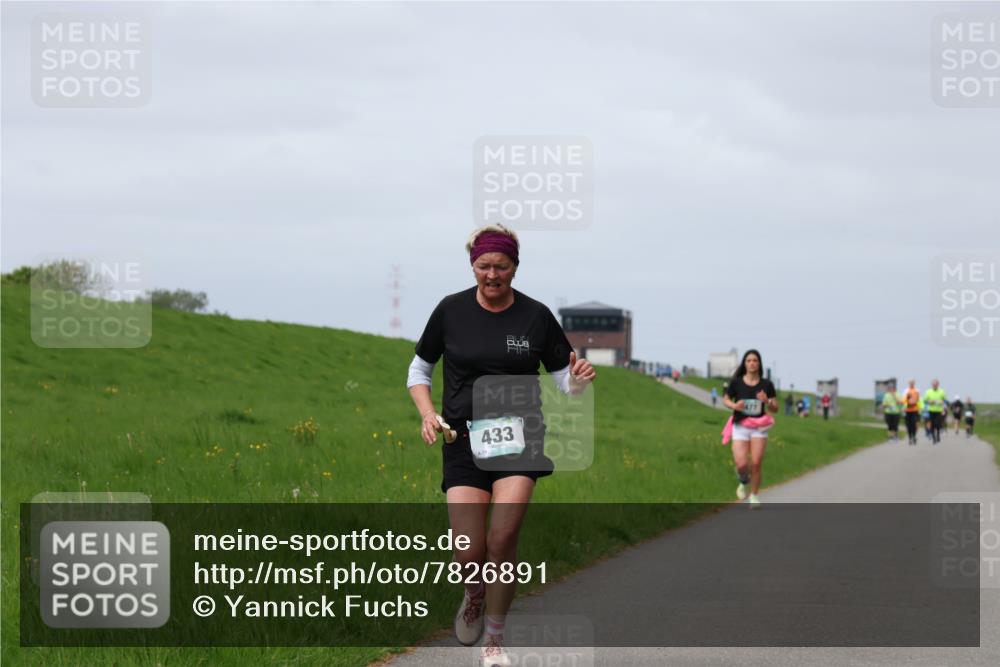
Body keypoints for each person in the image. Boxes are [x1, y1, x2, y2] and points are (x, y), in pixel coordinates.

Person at [407, 224, 596, 666]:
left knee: (503, 538)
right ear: (472, 265)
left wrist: (579, 381)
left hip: (519, 439)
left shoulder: (536, 316)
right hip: (462, 439)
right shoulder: (450, 311)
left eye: (501, 267)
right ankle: (474, 593)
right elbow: (419, 370)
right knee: (469, 549)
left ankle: (494, 640)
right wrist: (426, 413)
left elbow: (564, 381)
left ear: (515, 266)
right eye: (483, 266)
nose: (492, 275)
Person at [722, 349, 778, 510]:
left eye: (755, 360)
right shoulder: (737, 383)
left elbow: (775, 408)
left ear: (759, 363)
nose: (752, 363)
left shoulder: (767, 385)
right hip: (740, 426)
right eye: (749, 360)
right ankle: (743, 480)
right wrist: (734, 405)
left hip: (759, 428)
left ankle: (754, 495)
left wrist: (767, 400)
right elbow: (726, 399)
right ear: (744, 364)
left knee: (756, 462)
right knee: (741, 463)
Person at [924, 379, 947, 444]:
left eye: (936, 384)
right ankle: (934, 438)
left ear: (938, 385)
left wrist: (942, 402)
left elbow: (946, 401)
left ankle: (938, 435)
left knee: (938, 424)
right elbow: (925, 400)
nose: (934, 385)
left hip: (939, 410)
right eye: (933, 384)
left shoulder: (941, 391)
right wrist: (929, 401)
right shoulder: (928, 392)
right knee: (932, 425)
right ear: (932, 385)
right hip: (931, 410)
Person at [902, 379, 921, 445]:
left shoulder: (917, 390)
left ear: (914, 383)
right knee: (908, 425)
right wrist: (905, 405)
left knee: (914, 424)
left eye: (913, 383)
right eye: (910, 383)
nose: (911, 384)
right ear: (908, 383)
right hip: (907, 410)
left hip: (915, 410)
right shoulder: (906, 391)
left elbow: (919, 400)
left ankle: (914, 436)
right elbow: (903, 400)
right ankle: (910, 437)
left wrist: (920, 408)